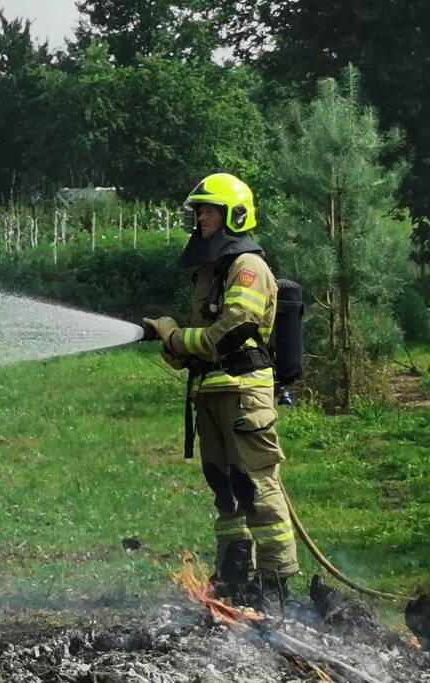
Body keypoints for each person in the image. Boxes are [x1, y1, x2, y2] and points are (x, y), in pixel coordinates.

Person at [143, 173, 299, 605]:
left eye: (209, 211)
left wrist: (174, 336)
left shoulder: (249, 269)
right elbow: (206, 341)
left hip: (245, 395)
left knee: (256, 486)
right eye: (199, 211)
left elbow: (226, 337)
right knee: (224, 486)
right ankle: (234, 572)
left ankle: (275, 584)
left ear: (235, 214)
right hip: (214, 393)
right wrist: (183, 354)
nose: (201, 218)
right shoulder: (212, 271)